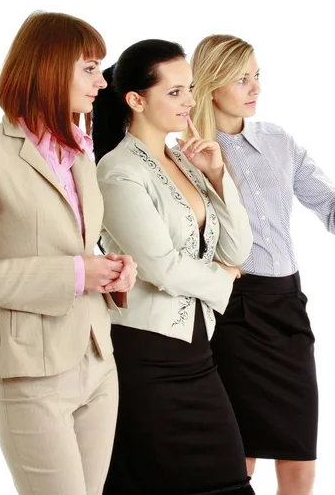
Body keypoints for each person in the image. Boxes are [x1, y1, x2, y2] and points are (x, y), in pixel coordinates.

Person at [189, 34, 335, 495]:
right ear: (211, 84)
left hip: (286, 310)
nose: (255, 87)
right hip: (229, 311)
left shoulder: (278, 141)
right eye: (241, 78)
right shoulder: (186, 154)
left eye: (258, 75)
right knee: (237, 461)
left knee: (299, 465)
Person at [0, 11, 137, 495]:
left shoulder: (81, 154)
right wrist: (74, 273)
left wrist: (114, 272)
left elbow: (80, 247)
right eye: (89, 67)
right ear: (50, 67)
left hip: (98, 363)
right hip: (32, 377)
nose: (101, 81)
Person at [91, 38, 256, 495]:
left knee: (228, 480)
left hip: (198, 352)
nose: (189, 101)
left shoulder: (186, 157)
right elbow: (160, 267)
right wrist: (221, 280)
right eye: (175, 92)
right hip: (147, 357)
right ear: (136, 100)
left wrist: (218, 176)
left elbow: (238, 248)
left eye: (190, 89)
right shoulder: (118, 170)